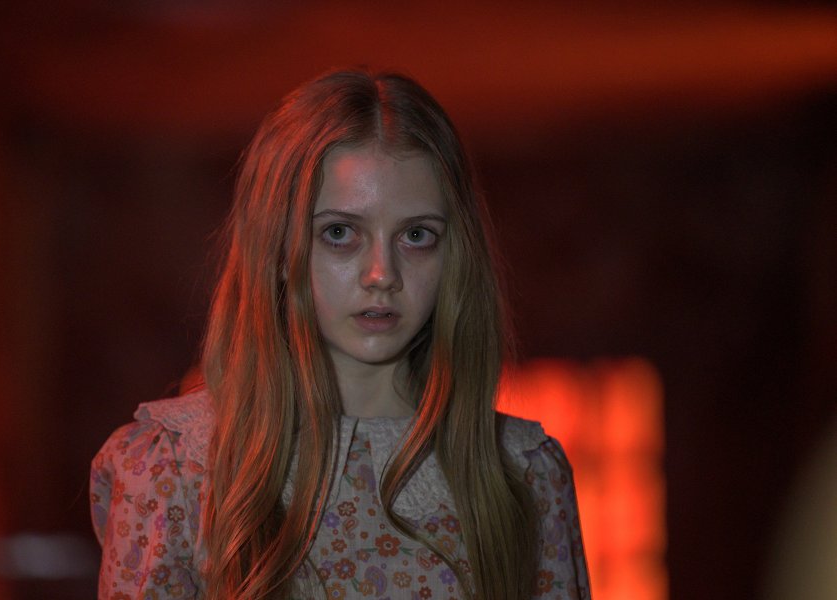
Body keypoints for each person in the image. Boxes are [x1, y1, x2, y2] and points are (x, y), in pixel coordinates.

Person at [90, 68, 590, 600]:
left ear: (454, 255)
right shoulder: (173, 471)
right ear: (276, 249)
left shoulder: (522, 475)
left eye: (417, 235)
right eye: (339, 232)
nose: (382, 274)